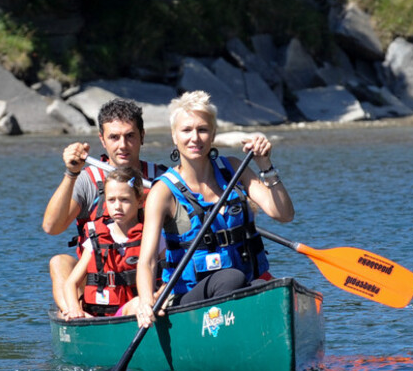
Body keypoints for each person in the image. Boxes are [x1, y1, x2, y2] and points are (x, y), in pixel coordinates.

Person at [125, 90, 294, 328]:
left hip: (243, 286)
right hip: (188, 298)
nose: (195, 138)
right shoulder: (162, 192)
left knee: (276, 290)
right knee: (231, 277)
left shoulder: (234, 168)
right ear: (174, 136)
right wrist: (145, 301)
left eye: (202, 129)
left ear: (213, 134)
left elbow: (284, 214)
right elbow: (147, 261)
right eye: (186, 130)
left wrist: (265, 165)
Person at [42, 98, 165, 317]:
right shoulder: (88, 180)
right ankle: (76, 314)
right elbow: (52, 227)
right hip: (101, 283)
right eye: (114, 137)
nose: (122, 145)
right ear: (103, 140)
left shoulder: (161, 180)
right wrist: (71, 173)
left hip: (148, 279)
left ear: (142, 136)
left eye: (130, 136)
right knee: (59, 262)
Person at [60, 167, 147, 320]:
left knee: (139, 302)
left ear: (140, 201)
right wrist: (74, 308)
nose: (117, 206)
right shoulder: (95, 238)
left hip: (139, 310)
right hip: (101, 316)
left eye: (124, 199)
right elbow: (70, 284)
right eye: (111, 200)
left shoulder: (151, 236)